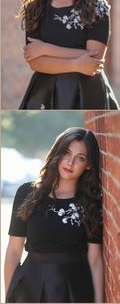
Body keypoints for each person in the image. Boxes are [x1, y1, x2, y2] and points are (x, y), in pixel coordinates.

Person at [18, 0, 119, 110]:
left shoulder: (96, 6)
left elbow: (94, 60)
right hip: (45, 92)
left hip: (87, 91)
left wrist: (46, 49)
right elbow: (35, 62)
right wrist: (77, 62)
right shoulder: (34, 8)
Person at [5, 127, 104, 303]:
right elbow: (13, 252)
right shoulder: (26, 192)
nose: (70, 162)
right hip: (30, 286)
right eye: (66, 152)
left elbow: (95, 259)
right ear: (57, 152)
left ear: (88, 165)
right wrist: (9, 295)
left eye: (80, 158)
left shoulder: (91, 203)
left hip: (74, 287)